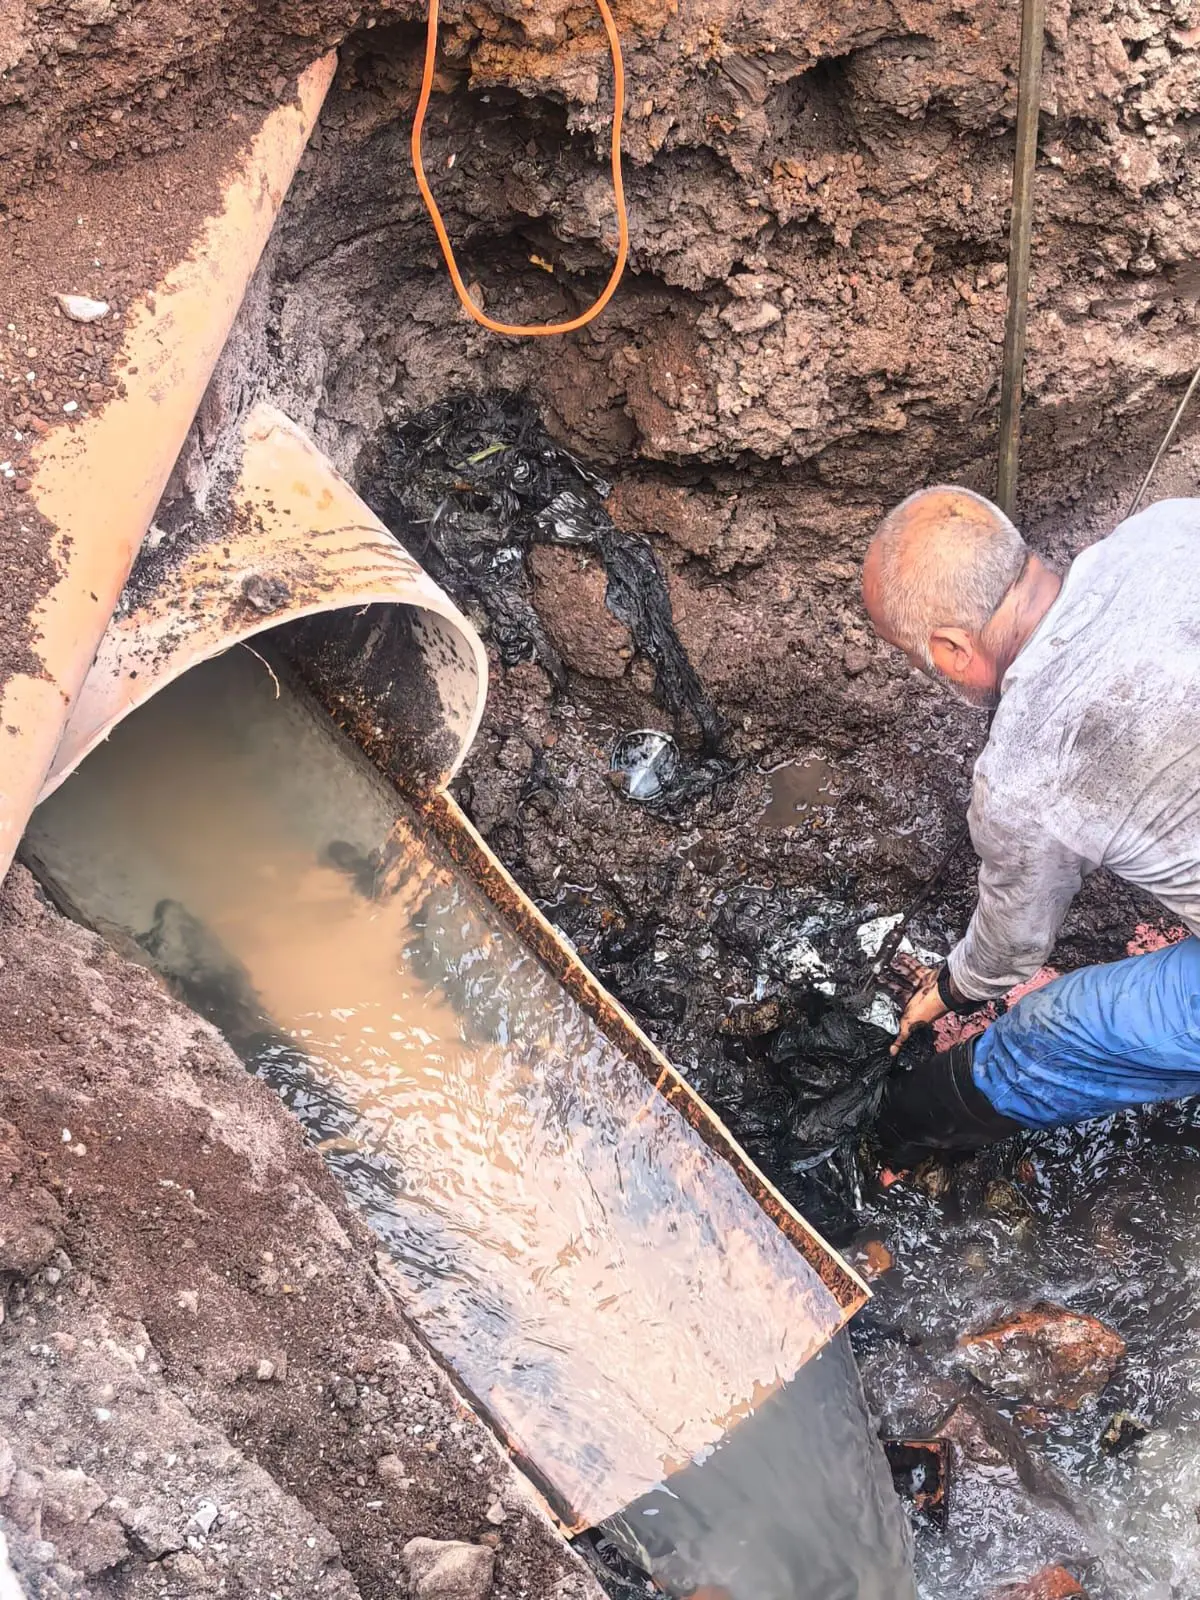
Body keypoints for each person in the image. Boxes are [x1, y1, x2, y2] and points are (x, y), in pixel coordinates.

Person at [859, 486, 1200, 1158]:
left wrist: (950, 990)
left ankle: (899, 1138)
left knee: (1048, 1033)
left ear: (953, 650)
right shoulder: (1168, 526)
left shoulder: (1021, 775)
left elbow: (1011, 949)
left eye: (919, 660)